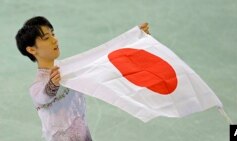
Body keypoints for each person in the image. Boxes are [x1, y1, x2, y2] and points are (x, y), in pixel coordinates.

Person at [15, 16, 150, 141]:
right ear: (32, 50)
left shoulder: (68, 71)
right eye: (46, 38)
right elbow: (43, 96)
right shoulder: (38, 85)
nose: (54, 40)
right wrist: (52, 85)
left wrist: (133, 41)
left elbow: (102, 60)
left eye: (53, 34)